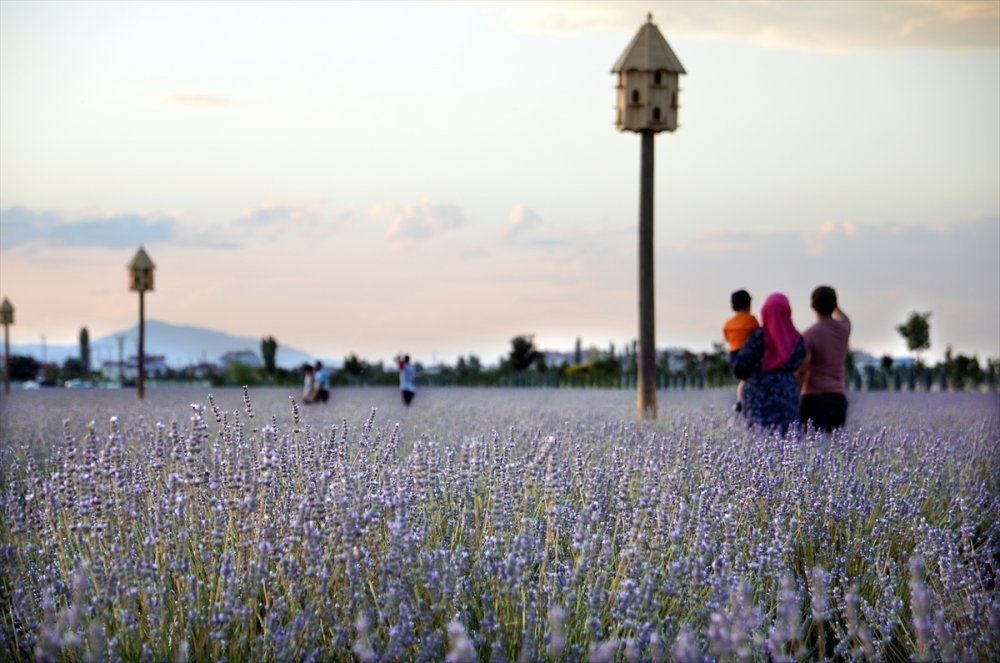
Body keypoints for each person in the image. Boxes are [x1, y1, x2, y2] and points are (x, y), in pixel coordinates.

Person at [732, 292, 806, 434]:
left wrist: (753, 378)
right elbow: (799, 365)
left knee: (759, 439)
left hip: (757, 395)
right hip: (787, 392)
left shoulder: (759, 336)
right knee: (788, 440)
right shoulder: (797, 339)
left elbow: (740, 367)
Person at [799, 286, 851, 432]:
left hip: (814, 397)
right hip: (838, 397)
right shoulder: (844, 328)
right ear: (835, 305)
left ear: (812, 306)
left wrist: (795, 394)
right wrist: (835, 306)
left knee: (813, 448)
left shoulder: (809, 335)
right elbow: (845, 318)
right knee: (836, 449)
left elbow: (803, 368)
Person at [723, 289, 760, 412]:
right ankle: (751, 402)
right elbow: (758, 335)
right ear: (749, 305)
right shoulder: (752, 320)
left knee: (743, 380)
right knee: (752, 379)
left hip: (734, 355)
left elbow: (726, 338)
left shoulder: (728, 324)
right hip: (749, 354)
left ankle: (740, 401)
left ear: (732, 307)